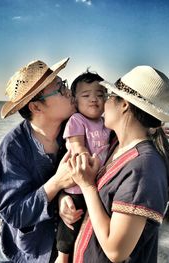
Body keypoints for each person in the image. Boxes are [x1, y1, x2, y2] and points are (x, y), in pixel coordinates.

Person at [60, 65, 169, 262]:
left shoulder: (143, 167)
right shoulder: (116, 146)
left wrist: (87, 187)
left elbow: (115, 251)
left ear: (124, 105)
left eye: (110, 95)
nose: (103, 102)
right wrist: (64, 197)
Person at [0, 57, 80, 262]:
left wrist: (147, 129)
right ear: (36, 107)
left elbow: (108, 122)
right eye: (61, 88)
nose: (69, 92)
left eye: (65, 84)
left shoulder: (75, 130)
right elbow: (12, 212)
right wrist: (56, 184)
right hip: (20, 254)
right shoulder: (13, 147)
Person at [55, 70, 111, 263]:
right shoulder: (77, 120)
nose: (94, 99)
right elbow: (77, 144)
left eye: (100, 95)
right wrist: (84, 155)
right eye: (86, 95)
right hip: (77, 184)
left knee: (91, 226)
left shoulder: (106, 123)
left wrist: (153, 129)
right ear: (75, 101)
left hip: (96, 185)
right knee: (70, 224)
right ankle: (62, 257)